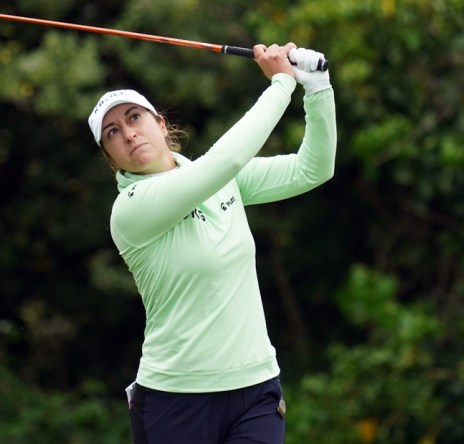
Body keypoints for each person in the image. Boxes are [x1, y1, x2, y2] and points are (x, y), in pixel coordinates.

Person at [87, 42, 336, 444]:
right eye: (113, 133)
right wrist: (280, 85)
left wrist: (318, 89)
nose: (129, 133)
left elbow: (315, 168)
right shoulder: (131, 210)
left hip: (256, 387)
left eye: (135, 118)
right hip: (175, 399)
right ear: (111, 158)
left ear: (161, 124)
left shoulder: (222, 181)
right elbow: (225, 161)